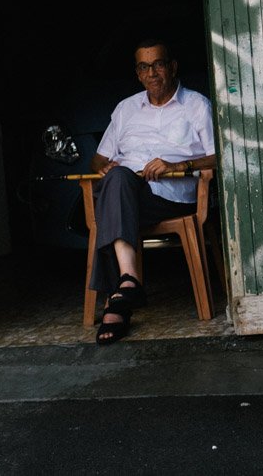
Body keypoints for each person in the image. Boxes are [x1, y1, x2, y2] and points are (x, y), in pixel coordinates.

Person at [88, 38, 217, 345]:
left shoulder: (196, 105)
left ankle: (116, 301)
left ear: (172, 67)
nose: (152, 73)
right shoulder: (126, 109)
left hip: (173, 197)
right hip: (130, 192)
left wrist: (181, 164)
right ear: (138, 74)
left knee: (111, 196)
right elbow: (99, 157)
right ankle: (126, 286)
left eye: (158, 64)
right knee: (115, 181)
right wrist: (105, 169)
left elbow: (218, 155)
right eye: (144, 67)